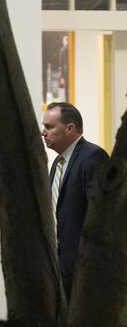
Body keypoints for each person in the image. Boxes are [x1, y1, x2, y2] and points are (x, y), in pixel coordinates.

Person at [41, 102, 108, 301]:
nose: (42, 132)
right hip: (57, 266)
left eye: (49, 126)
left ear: (69, 128)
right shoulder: (57, 162)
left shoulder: (93, 157)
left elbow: (99, 215)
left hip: (82, 267)